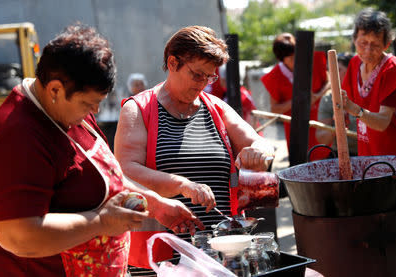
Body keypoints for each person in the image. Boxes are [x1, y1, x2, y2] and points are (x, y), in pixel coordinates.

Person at [0, 23, 203, 277]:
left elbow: (105, 178)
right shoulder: (15, 137)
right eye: (88, 103)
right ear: (55, 89)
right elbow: (18, 236)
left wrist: (156, 204)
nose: (93, 112)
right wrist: (100, 222)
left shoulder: (67, 110)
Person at [114, 25, 275, 275]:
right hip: (162, 255)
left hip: (222, 250)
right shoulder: (138, 109)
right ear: (172, 62)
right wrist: (181, 184)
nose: (203, 84)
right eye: (197, 74)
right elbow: (126, 170)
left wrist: (258, 152)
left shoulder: (215, 108)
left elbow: (260, 143)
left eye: (210, 77)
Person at [341, 8, 396, 160]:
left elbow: (383, 122)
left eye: (375, 45)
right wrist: (341, 111)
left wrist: (354, 110)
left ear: (387, 44)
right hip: (369, 153)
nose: (368, 50)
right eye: (363, 42)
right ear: (354, 39)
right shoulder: (354, 64)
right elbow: (346, 100)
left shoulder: (394, 70)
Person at [261, 33, 331, 160]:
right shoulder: (274, 76)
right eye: (291, 58)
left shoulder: (314, 59)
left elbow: (329, 82)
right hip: (297, 130)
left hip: (323, 121)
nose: (296, 59)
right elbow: (275, 109)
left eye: (297, 55)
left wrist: (317, 96)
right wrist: (299, 100)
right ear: (281, 59)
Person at [316, 52, 358, 156]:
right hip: (340, 153)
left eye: (338, 70)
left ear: (352, 71)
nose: (333, 74)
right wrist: (337, 126)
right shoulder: (328, 99)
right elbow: (322, 138)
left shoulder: (364, 94)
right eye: (330, 71)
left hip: (368, 153)